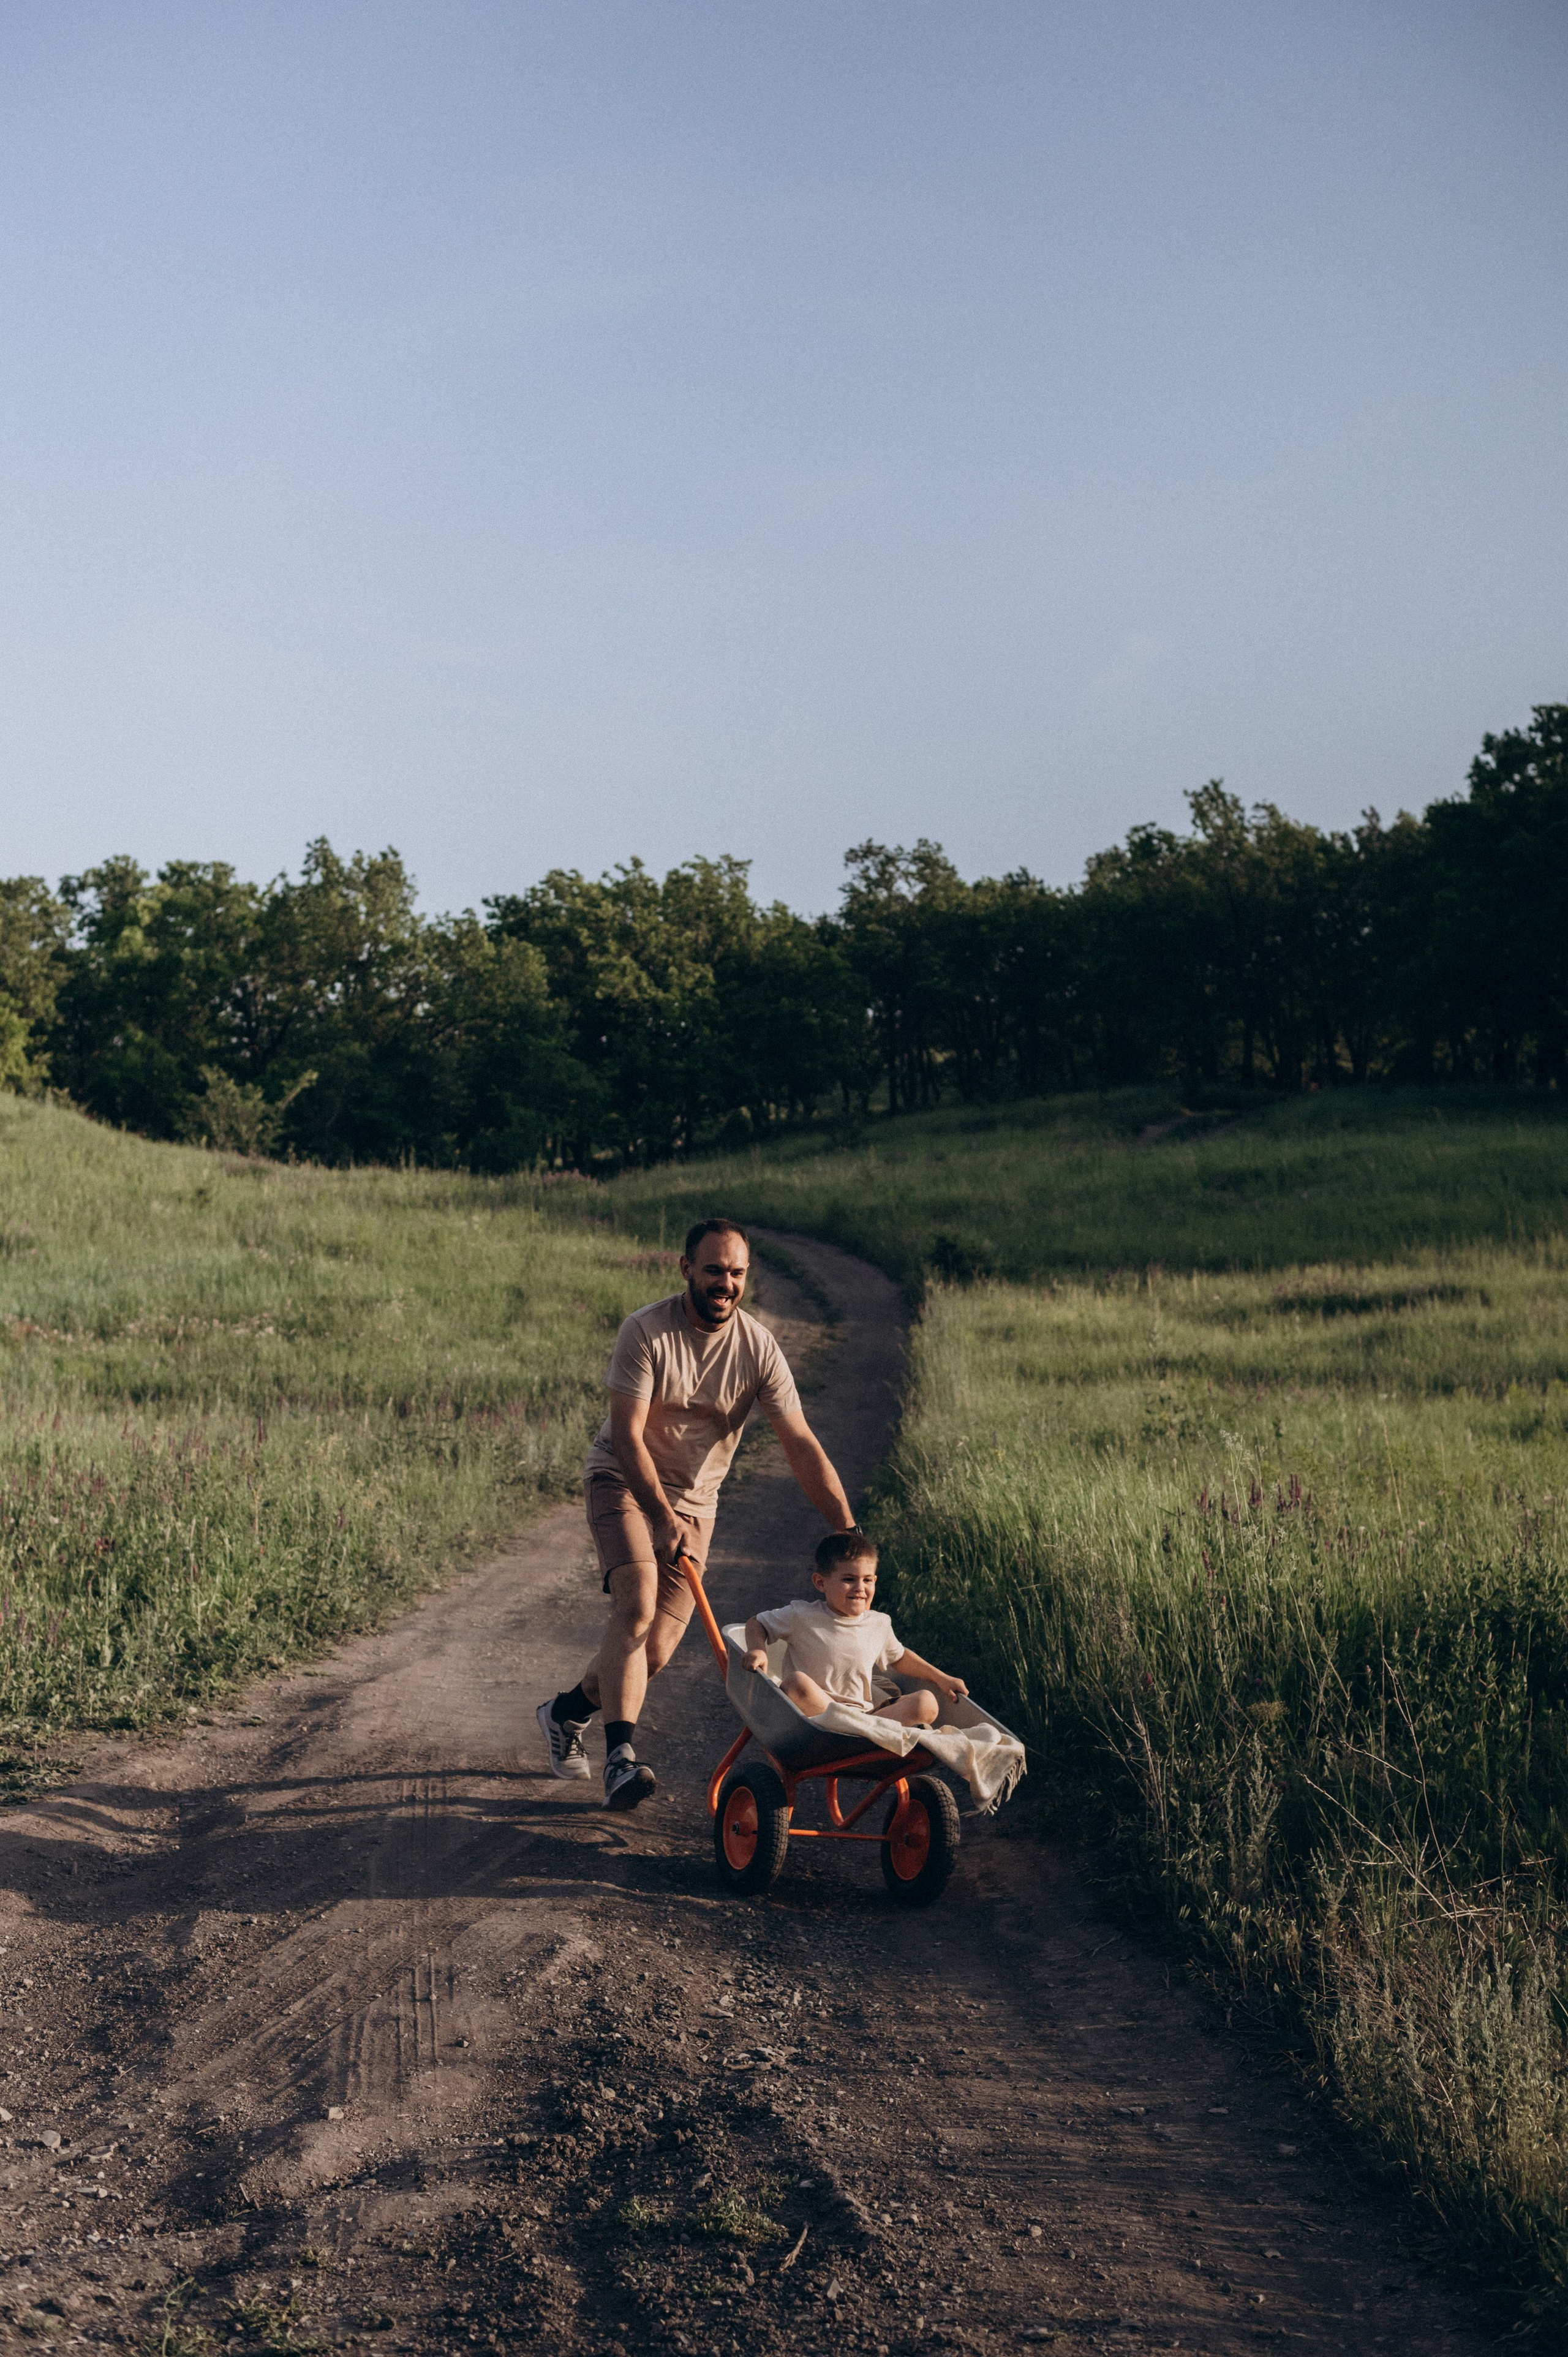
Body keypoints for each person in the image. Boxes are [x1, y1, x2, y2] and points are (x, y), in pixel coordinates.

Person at [538, 1218, 859, 1808]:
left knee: (652, 1650)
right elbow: (630, 1437)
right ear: (687, 1269)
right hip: (624, 1480)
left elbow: (800, 1443)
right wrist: (660, 1517)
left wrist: (847, 1528)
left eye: (736, 1273)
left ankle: (564, 1713)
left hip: (696, 1504)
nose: (725, 1283)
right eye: (714, 1270)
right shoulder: (646, 1331)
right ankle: (621, 1761)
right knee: (634, 1605)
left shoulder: (758, 1349)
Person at [741, 1529, 968, 1725]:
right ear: (821, 1583)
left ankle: (862, 1728)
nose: (860, 1588)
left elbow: (899, 1658)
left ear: (875, 1582)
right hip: (817, 1714)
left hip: (865, 1713)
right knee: (795, 1683)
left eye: (867, 1580)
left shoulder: (878, 1623)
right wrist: (758, 1650)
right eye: (849, 1579)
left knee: (927, 1703)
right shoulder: (802, 1615)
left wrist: (941, 1678)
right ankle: (863, 1729)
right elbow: (757, 1623)